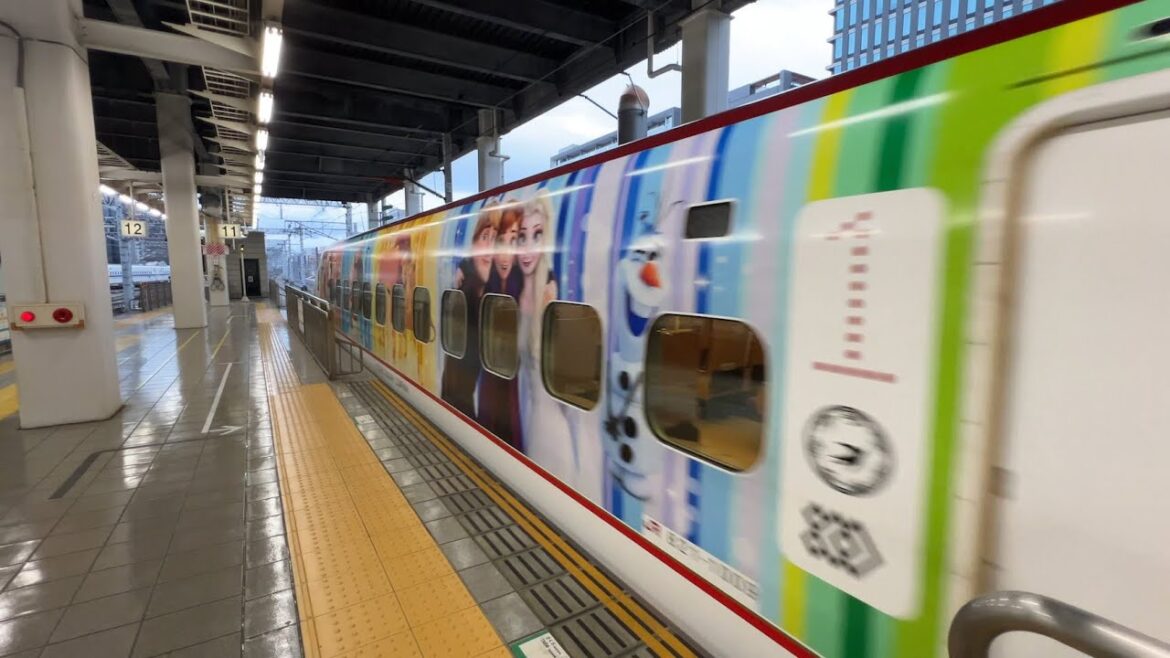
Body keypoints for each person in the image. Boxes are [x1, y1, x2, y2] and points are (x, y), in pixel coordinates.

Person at [516, 191, 576, 482]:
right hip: (531, 420)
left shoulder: (549, 294)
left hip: (551, 430)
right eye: (521, 237)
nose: (527, 248)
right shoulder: (516, 293)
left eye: (537, 235)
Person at [440, 204, 497, 419]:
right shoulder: (463, 289)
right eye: (485, 236)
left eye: (497, 240)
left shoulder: (498, 295)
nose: (490, 249)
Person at [477, 201, 524, 450]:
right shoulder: (484, 288)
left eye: (514, 240)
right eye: (498, 242)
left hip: (511, 396)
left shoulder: (526, 289)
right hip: (490, 392)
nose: (505, 254)